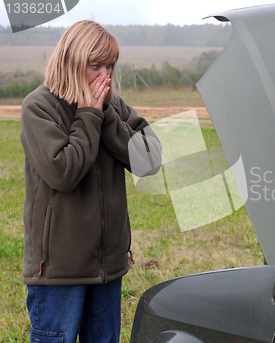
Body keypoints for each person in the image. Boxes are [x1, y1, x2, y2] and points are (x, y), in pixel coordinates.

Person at [20, 20, 161, 342]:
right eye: (95, 65)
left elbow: (149, 160)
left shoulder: (114, 107)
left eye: (110, 65)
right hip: (58, 268)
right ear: (71, 62)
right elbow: (63, 173)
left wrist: (106, 113)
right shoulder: (39, 107)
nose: (105, 75)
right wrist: (88, 115)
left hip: (108, 265)